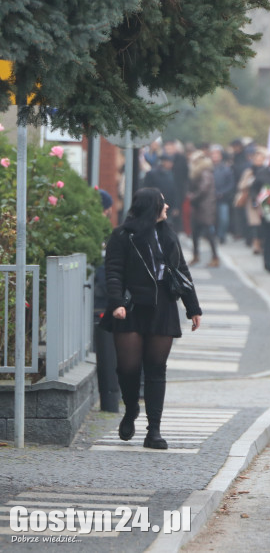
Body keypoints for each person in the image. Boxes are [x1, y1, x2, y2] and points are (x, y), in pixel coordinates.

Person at [100, 188, 202, 449]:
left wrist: (193, 308)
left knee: (156, 369)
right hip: (131, 307)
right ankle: (131, 409)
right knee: (129, 368)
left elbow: (181, 271)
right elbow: (113, 271)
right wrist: (117, 303)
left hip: (163, 307)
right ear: (151, 207)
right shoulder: (122, 235)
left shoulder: (168, 234)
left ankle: (153, 431)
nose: (167, 207)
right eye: (162, 203)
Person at [188, 151, 219, 267]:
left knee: (208, 233)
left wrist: (193, 196)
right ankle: (196, 255)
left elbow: (203, 189)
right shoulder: (202, 172)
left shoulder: (204, 172)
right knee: (195, 233)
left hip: (204, 207)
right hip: (200, 206)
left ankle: (215, 257)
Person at [210, 146, 235, 244]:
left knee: (224, 219)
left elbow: (231, 183)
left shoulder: (226, 169)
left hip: (222, 198)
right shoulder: (207, 167)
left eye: (217, 154)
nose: (215, 156)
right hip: (209, 198)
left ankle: (221, 235)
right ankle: (211, 235)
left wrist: (223, 192)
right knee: (210, 219)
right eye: (213, 154)